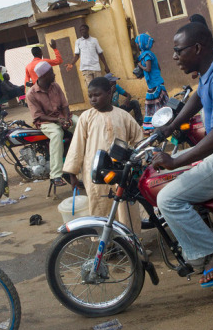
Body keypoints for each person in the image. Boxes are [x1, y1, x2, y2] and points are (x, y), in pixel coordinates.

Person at [151, 22, 213, 287]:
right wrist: (170, 126)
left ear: (196, 48)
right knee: (175, 178)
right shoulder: (212, 69)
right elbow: (197, 97)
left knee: (168, 198)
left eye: (178, 51)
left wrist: (174, 160)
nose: (174, 57)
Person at [63, 77, 144, 232]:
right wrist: (72, 173)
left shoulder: (123, 115)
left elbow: (138, 139)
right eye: (90, 96)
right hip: (95, 171)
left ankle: (130, 244)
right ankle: (107, 246)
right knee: (100, 207)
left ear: (109, 93)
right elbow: (77, 145)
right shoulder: (86, 117)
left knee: (125, 208)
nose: (93, 99)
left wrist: (138, 161)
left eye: (97, 95)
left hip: (121, 171)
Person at [26, 61, 75, 187]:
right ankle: (56, 175)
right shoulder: (31, 94)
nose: (54, 75)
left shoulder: (56, 86)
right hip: (46, 122)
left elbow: (65, 105)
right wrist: (59, 121)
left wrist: (66, 118)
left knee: (81, 124)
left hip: (62, 117)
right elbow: (39, 115)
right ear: (43, 76)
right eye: (51, 73)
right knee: (56, 134)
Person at [134, 32, 169, 118]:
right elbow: (158, 68)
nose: (137, 45)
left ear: (141, 44)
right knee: (160, 105)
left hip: (155, 84)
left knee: (153, 105)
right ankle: (162, 121)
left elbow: (148, 69)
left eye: (137, 43)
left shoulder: (146, 55)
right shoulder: (149, 54)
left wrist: (140, 66)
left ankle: (153, 124)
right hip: (156, 82)